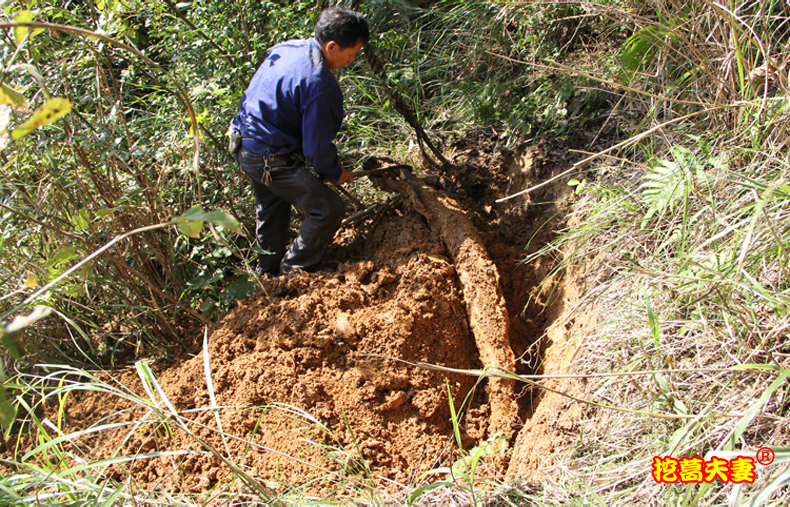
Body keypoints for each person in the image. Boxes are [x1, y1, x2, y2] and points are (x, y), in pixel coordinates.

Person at [229, 7, 369, 275]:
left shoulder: (288, 47)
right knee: (328, 209)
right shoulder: (319, 83)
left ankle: (266, 274)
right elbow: (316, 148)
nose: (351, 60)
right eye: (351, 54)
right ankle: (291, 273)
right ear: (331, 46)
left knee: (271, 209)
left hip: (245, 144)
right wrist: (335, 172)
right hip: (268, 156)